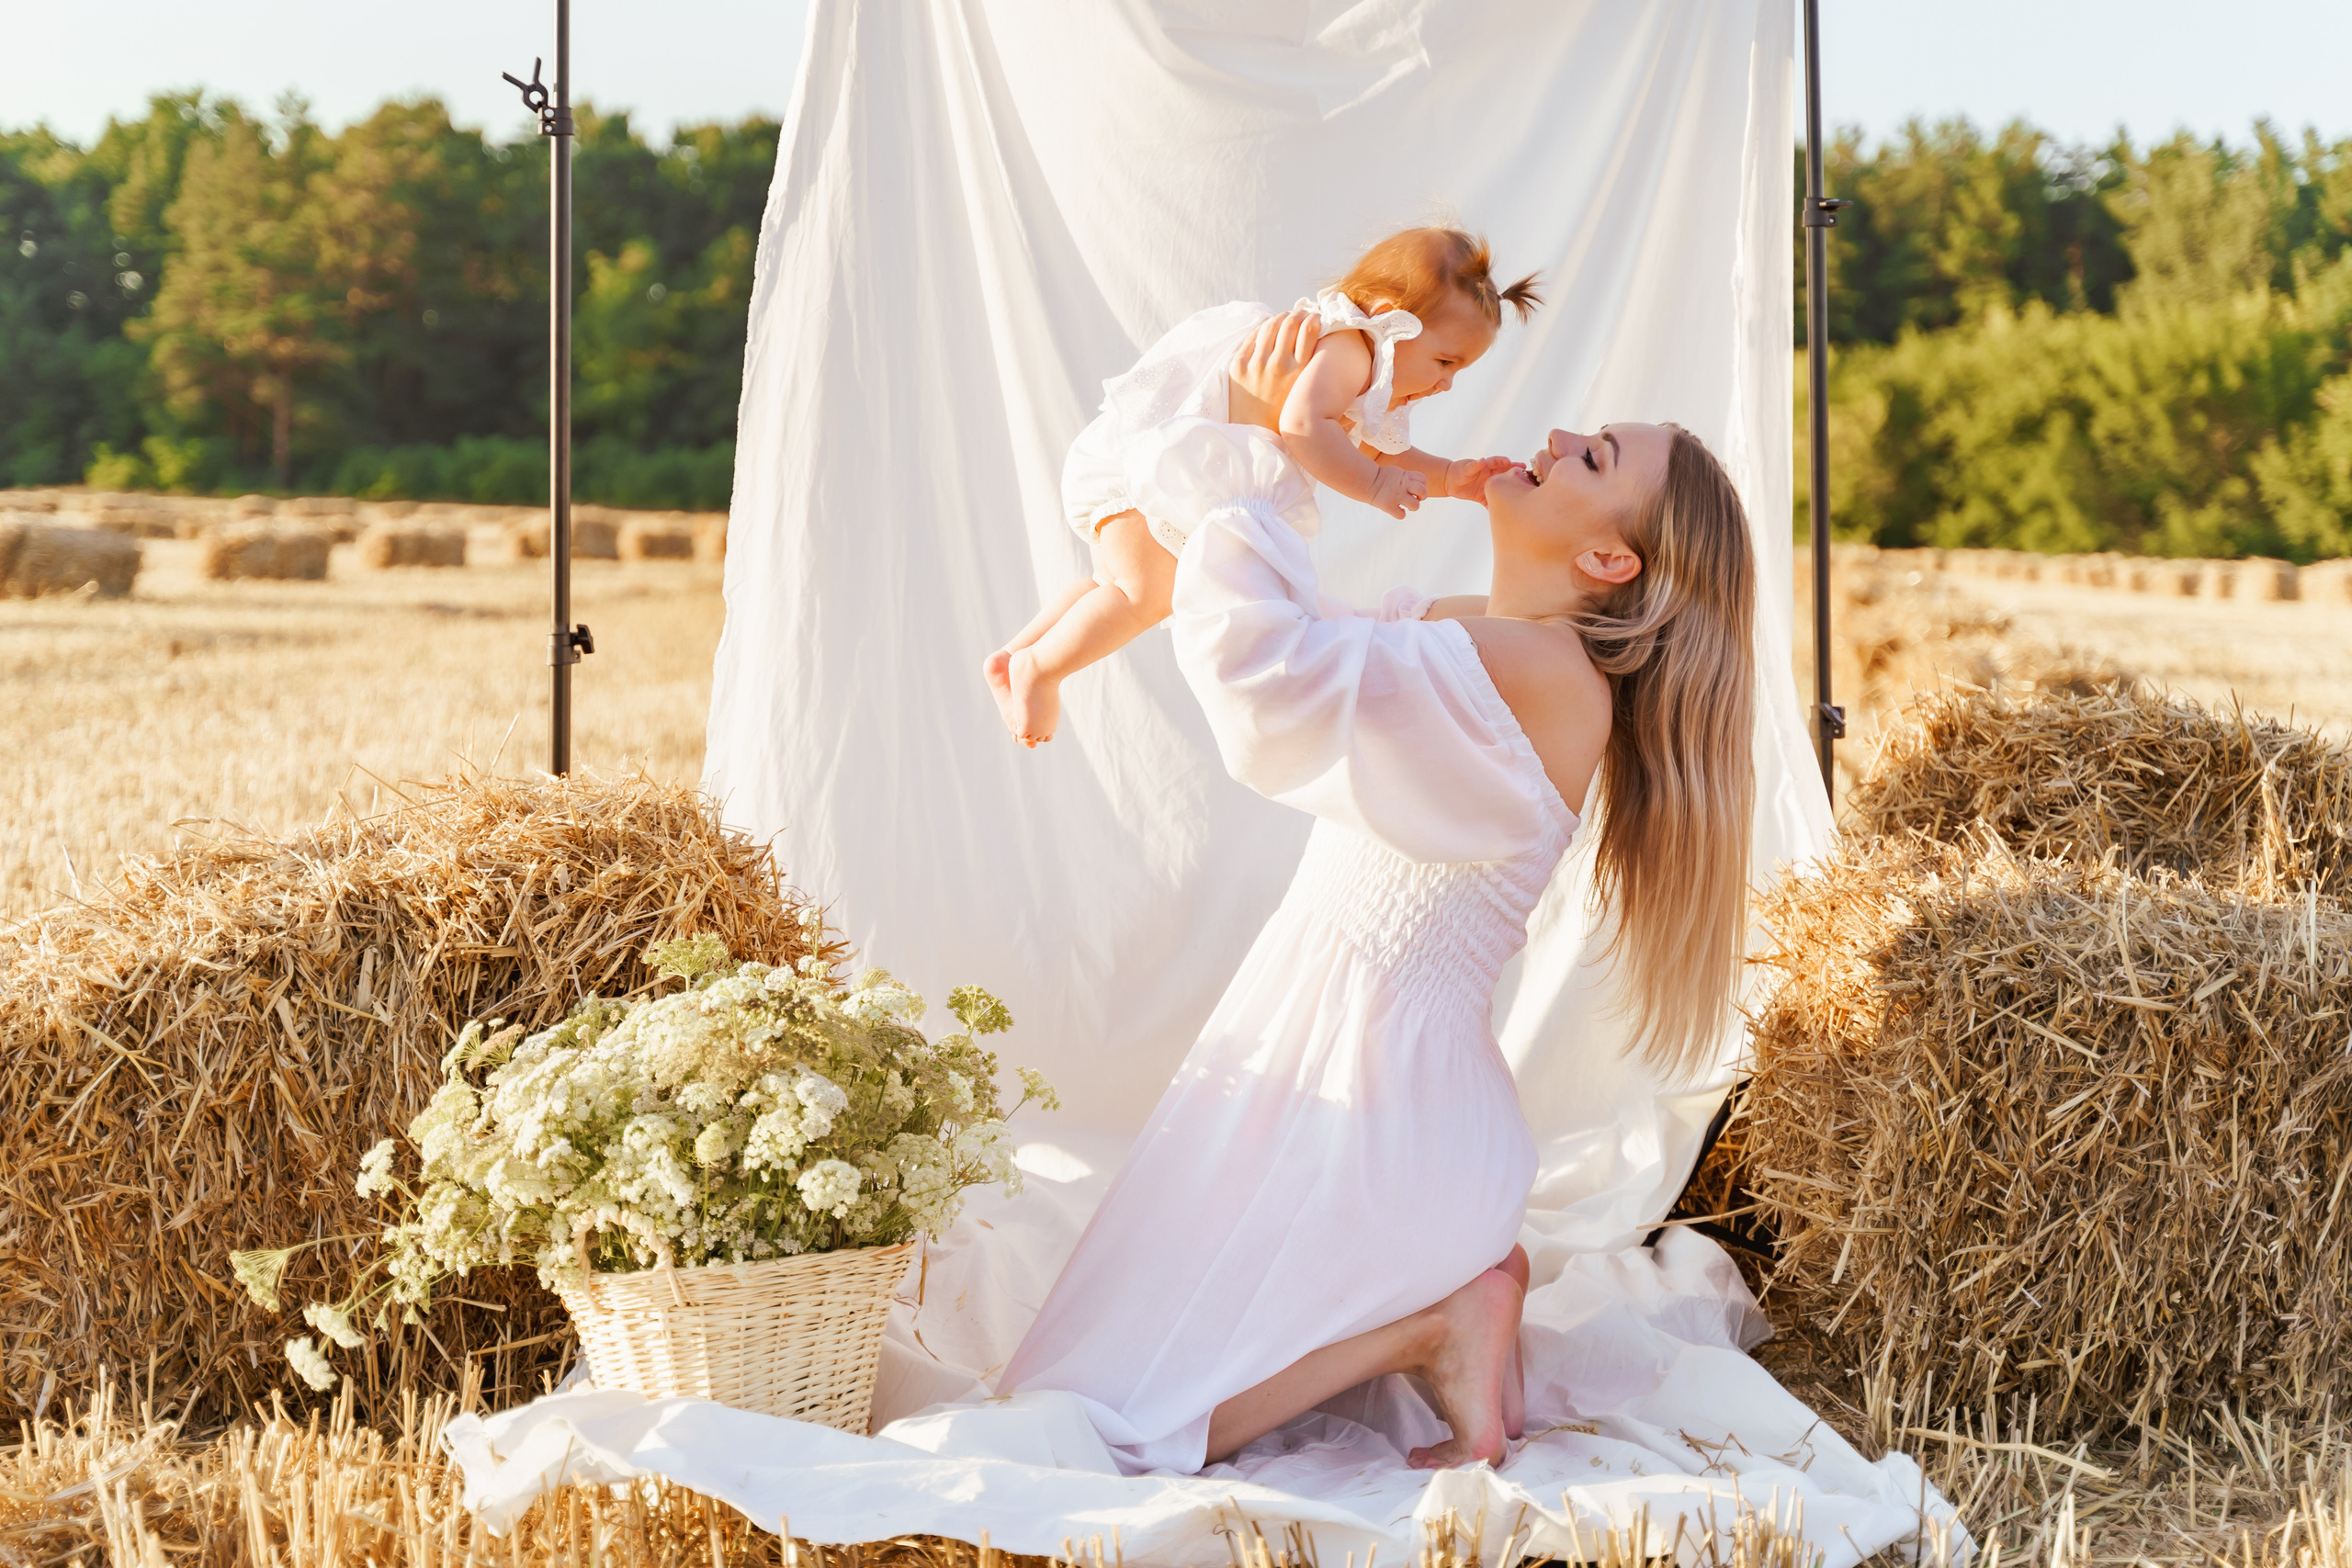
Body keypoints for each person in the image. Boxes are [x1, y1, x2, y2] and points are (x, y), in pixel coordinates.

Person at [999, 312, 1759, 1474]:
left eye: (1595, 457)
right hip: (1343, 1060)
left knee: (1116, 1433)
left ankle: (1435, 1318)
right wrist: (1293, 436)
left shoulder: (1544, 671)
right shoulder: (1479, 637)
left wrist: (1253, 460)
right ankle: (1451, 1297)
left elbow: (1269, 681)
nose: (1558, 438)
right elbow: (1269, 626)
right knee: (1082, 1387)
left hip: (1378, 1107)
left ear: (1611, 561)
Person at [982, 228, 1540, 747]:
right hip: (1154, 469)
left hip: (1163, 471)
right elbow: (1305, 426)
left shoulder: (1358, 372)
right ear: (1389, 318)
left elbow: (1371, 447)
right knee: (1142, 596)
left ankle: (1015, 657)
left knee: (1112, 585)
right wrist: (1374, 485)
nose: (1445, 384)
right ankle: (1040, 671)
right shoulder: (1348, 349)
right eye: (1444, 361)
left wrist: (1448, 477)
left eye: (1457, 372)